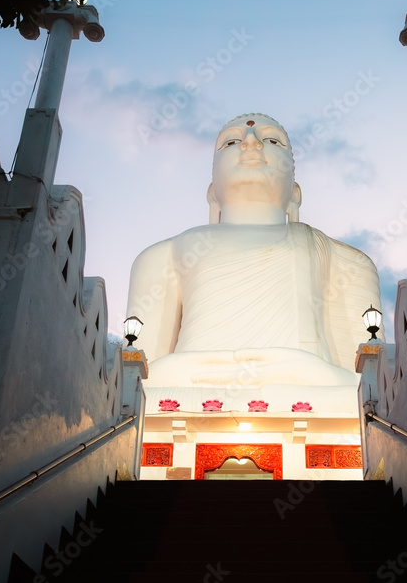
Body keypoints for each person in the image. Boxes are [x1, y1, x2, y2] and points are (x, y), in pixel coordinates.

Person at [126, 113, 382, 391]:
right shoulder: (164, 254)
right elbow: (136, 376)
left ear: (295, 195)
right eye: (232, 142)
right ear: (213, 193)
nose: (251, 142)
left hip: (309, 392)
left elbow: (369, 384)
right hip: (189, 388)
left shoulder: (345, 260)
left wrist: (310, 371)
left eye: (272, 140)